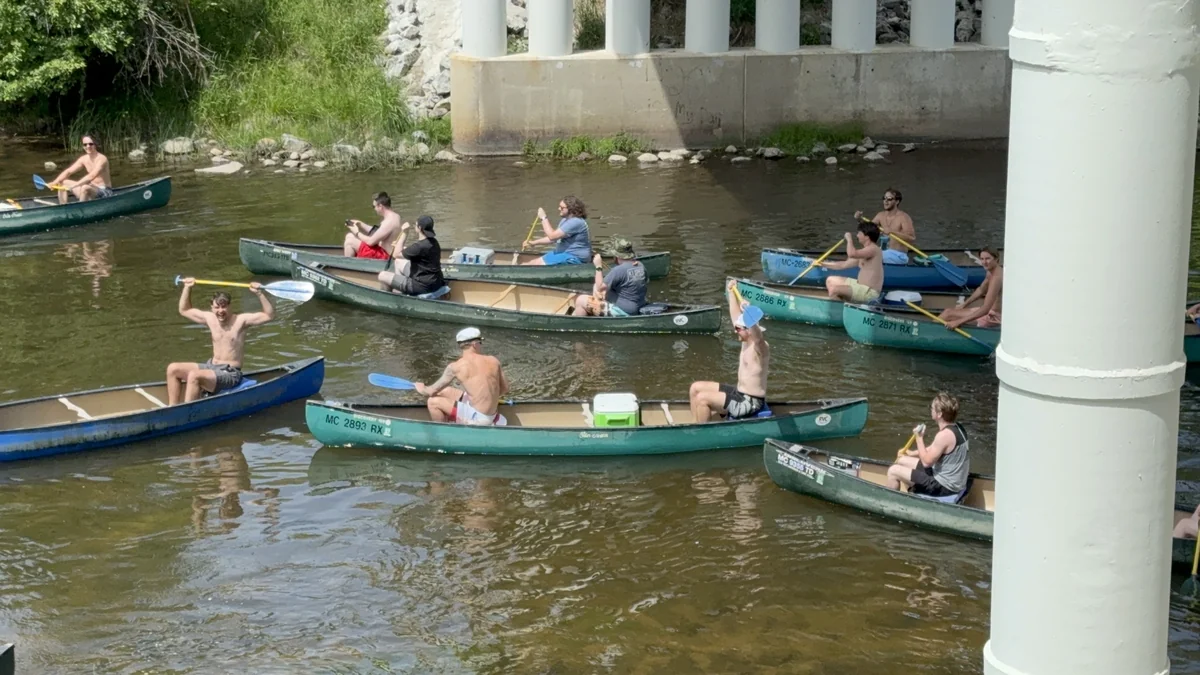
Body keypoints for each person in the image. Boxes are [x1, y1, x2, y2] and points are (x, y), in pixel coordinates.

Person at [165, 278, 274, 405]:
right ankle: (172, 408)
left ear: (230, 307)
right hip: (212, 366)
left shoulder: (241, 321)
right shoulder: (209, 318)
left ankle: (186, 413)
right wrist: (187, 287)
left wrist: (259, 293)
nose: (220, 311)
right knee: (173, 369)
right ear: (212, 308)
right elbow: (184, 310)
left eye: (224, 307)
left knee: (195, 376)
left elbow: (269, 315)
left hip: (230, 373)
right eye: (217, 307)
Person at [688, 279, 770, 423]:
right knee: (695, 388)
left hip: (751, 403)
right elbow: (735, 317)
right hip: (739, 393)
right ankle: (695, 424)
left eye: (738, 329)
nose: (735, 330)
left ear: (749, 330)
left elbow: (758, 338)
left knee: (702, 399)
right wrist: (732, 291)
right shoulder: (745, 340)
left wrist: (749, 314)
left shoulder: (760, 348)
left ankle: (699, 435)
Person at [416, 327, 511, 426]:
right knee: (445, 391)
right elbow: (505, 389)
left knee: (432, 402)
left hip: (478, 418)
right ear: (474, 344)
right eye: (480, 343)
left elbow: (430, 391)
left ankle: (444, 432)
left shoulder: (455, 367)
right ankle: (452, 419)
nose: (480, 346)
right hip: (489, 414)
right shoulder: (493, 360)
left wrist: (420, 388)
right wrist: (487, 399)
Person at [887, 393, 971, 497]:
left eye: (932, 408)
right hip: (950, 480)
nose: (931, 410)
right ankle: (914, 491)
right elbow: (934, 448)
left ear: (939, 414)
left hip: (944, 487)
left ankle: (891, 502)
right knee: (901, 460)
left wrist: (919, 438)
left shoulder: (944, 435)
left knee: (893, 471)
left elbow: (927, 463)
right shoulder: (958, 427)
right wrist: (913, 453)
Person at [573, 237, 647, 316]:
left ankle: (581, 325)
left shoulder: (618, 270)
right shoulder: (640, 265)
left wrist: (598, 266)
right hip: (639, 305)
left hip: (624, 310)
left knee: (580, 300)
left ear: (617, 256)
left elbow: (599, 287)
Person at [378, 215, 446, 296]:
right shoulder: (434, 242)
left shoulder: (419, 246)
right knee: (398, 262)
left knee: (382, 275)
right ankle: (400, 292)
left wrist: (405, 233)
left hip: (421, 286)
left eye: (415, 225)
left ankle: (390, 299)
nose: (415, 227)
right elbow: (415, 252)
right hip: (436, 282)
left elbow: (396, 254)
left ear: (419, 228)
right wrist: (401, 248)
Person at [938, 247, 1003, 329]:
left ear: (996, 259)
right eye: (982, 259)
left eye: (987, 259)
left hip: (992, 317)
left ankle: (928, 332)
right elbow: (981, 290)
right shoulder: (991, 271)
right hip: (989, 312)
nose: (984, 262)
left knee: (948, 313)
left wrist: (958, 322)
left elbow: (986, 308)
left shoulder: (996, 278)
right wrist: (964, 304)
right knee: (949, 312)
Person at [820, 222, 884, 304]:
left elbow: (851, 254)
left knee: (834, 290)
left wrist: (849, 239)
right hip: (859, 286)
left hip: (869, 292)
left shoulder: (874, 249)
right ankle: (843, 304)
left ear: (867, 237)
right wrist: (822, 264)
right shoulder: (864, 252)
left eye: (859, 233)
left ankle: (839, 311)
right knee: (830, 280)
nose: (857, 236)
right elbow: (843, 265)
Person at [521, 195, 591, 266]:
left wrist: (543, 217)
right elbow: (554, 239)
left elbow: (552, 236)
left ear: (571, 209)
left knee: (537, 265)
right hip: (562, 254)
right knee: (532, 263)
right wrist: (534, 243)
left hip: (574, 257)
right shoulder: (565, 220)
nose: (559, 208)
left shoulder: (576, 222)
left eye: (562, 207)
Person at [855, 187, 915, 265]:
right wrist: (859, 220)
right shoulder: (880, 215)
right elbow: (868, 229)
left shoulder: (904, 217)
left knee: (870, 256)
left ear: (897, 201)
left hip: (898, 255)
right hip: (884, 253)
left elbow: (912, 238)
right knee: (859, 255)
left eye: (889, 199)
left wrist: (892, 231)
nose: (885, 201)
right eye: (884, 198)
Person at [51, 134, 112, 204]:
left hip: (104, 192)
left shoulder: (102, 159)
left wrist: (75, 185)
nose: (88, 146)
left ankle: (80, 209)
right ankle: (63, 207)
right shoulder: (83, 159)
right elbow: (68, 171)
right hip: (91, 188)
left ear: (95, 144)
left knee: (85, 187)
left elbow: (91, 176)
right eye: (85, 145)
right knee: (62, 182)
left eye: (90, 144)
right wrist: (55, 182)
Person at [343, 192, 401, 259]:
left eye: (374, 206)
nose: (374, 209)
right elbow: (379, 232)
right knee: (349, 236)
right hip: (383, 250)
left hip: (384, 255)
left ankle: (348, 266)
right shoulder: (395, 216)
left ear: (380, 206)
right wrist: (360, 224)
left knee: (349, 242)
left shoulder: (388, 222)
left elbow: (370, 242)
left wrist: (357, 232)